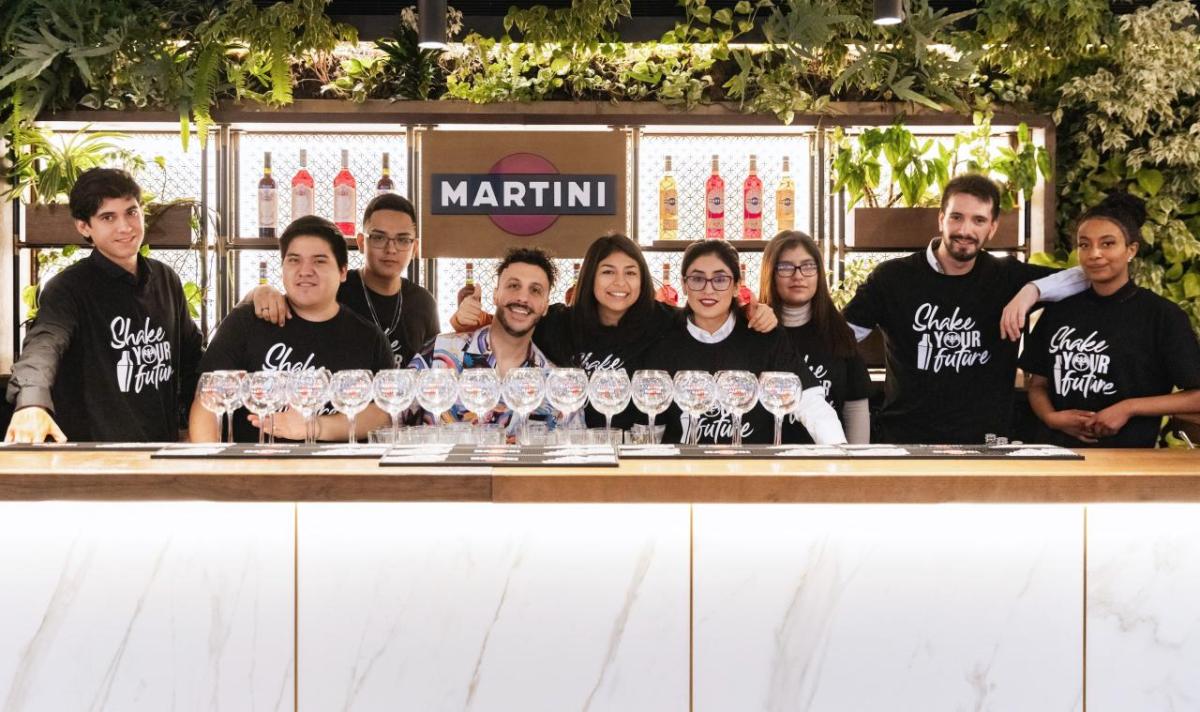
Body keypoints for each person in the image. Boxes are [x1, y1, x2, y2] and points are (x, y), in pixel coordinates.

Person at [843, 173, 1089, 444]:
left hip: (988, 443)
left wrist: (1032, 291)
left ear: (992, 227)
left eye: (979, 220)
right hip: (905, 441)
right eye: (956, 217)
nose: (965, 230)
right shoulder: (892, 278)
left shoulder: (1006, 276)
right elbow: (841, 337)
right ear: (941, 219)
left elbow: (1087, 276)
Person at [451, 233, 779, 430]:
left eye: (630, 273)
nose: (620, 284)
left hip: (645, 454)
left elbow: (711, 314)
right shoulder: (559, 323)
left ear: (643, 280)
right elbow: (514, 320)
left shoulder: (664, 321)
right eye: (608, 272)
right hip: (576, 451)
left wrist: (751, 309)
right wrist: (469, 319)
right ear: (591, 277)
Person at [5, 168, 203, 443]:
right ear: (84, 226)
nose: (125, 227)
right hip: (96, 459)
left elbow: (194, 359)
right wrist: (31, 403)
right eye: (108, 217)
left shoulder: (165, 279)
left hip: (162, 452)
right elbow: (44, 344)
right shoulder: (68, 288)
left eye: (131, 212)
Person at [190, 216, 393, 443]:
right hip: (252, 471)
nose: (305, 271)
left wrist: (313, 427)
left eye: (319, 261)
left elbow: (384, 414)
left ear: (343, 271)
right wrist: (210, 471)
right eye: (294, 260)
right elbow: (207, 403)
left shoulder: (368, 337)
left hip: (338, 473)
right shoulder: (246, 322)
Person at [1020, 193, 1200, 447]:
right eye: (1084, 245)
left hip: (1129, 460)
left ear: (1131, 250)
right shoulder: (1059, 311)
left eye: (1107, 244)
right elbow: (1038, 384)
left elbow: (1196, 397)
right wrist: (1051, 418)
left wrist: (1129, 407)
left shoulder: (1162, 316)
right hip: (1056, 455)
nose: (1094, 254)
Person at [645, 240, 846, 445]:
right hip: (682, 469)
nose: (708, 289)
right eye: (697, 279)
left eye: (720, 279)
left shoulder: (763, 334)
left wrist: (840, 455)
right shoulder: (664, 334)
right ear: (684, 285)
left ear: (736, 286)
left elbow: (811, 403)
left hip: (752, 468)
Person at [249, 193, 439, 366]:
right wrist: (260, 292)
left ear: (415, 248)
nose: (391, 249)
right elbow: (286, 305)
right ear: (361, 243)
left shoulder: (424, 303)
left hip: (403, 402)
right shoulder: (334, 287)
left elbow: (435, 367)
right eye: (379, 238)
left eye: (403, 240)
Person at [409, 247, 566, 438]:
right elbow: (391, 408)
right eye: (513, 286)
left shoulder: (556, 383)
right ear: (495, 295)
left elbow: (574, 453)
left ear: (545, 306)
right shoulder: (441, 352)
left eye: (535, 290)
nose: (523, 298)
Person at [760, 230, 871, 443]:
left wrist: (855, 463)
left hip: (827, 460)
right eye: (785, 267)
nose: (798, 275)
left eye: (808, 266)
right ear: (770, 273)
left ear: (819, 273)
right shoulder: (759, 332)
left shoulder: (838, 331)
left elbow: (855, 406)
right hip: (769, 460)